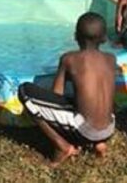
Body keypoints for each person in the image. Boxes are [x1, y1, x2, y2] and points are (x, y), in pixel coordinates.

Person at [18, 12, 116, 167]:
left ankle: (62, 146)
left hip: (85, 130)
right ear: (104, 38)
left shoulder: (69, 58)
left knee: (24, 91)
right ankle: (100, 143)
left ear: (75, 36)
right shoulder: (111, 59)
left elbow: (57, 94)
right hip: (110, 127)